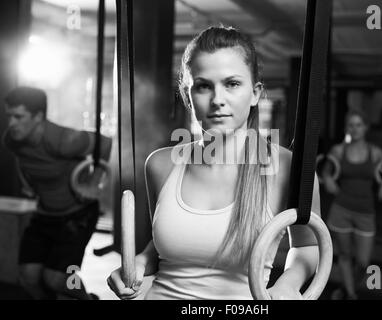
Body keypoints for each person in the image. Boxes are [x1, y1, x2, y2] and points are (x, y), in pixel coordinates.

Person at [107, 26, 322, 300]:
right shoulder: (161, 165)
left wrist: (289, 283)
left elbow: (308, 245)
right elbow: (166, 246)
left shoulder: (289, 169)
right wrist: (139, 262)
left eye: (232, 84)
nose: (217, 100)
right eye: (204, 86)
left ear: (255, 93)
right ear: (189, 95)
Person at [2, 86, 112, 300]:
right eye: (9, 116)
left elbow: (105, 143)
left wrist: (94, 182)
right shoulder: (12, 139)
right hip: (45, 215)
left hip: (77, 216)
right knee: (29, 277)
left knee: (56, 279)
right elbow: (22, 159)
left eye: (18, 116)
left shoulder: (63, 140)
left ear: (38, 117)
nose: (12, 123)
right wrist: (27, 182)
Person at [322, 109, 382, 300]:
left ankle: (345, 288)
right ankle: (351, 294)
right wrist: (328, 178)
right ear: (347, 128)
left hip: (365, 212)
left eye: (359, 124)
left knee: (363, 262)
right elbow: (326, 169)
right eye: (351, 125)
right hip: (341, 209)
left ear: (366, 128)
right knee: (344, 255)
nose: (355, 128)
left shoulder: (375, 152)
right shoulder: (338, 150)